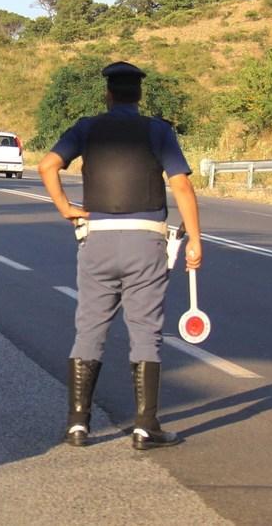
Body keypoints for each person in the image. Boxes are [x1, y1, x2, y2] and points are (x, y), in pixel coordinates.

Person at [37, 61, 203, 451]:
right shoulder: (158, 131)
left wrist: (65, 207)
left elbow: (47, 165)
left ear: (108, 94)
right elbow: (181, 186)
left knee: (89, 330)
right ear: (139, 95)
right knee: (145, 332)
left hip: (97, 240)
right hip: (145, 242)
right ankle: (146, 426)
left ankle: (78, 425)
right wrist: (195, 239)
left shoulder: (87, 128)